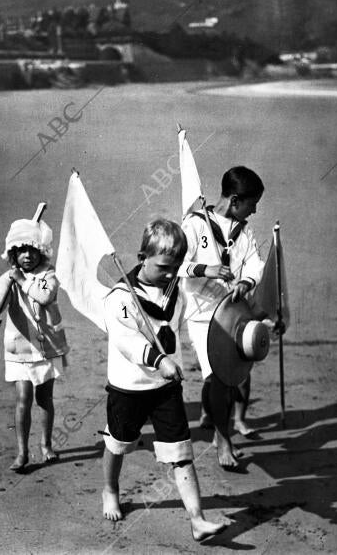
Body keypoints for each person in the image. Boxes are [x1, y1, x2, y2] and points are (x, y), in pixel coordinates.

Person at [101, 219, 225, 541]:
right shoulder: (120, 297)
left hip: (165, 388)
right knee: (119, 442)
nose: (171, 274)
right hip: (129, 387)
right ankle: (110, 488)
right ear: (143, 256)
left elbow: (183, 305)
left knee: (180, 451)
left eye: (176, 267)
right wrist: (158, 360)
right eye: (164, 267)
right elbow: (127, 341)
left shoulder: (175, 290)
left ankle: (197, 519)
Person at [179, 166, 265, 468]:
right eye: (251, 204)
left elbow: (256, 264)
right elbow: (176, 265)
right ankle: (222, 440)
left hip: (232, 312)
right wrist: (207, 269)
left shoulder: (245, 232)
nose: (254, 211)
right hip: (202, 317)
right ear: (234, 200)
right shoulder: (194, 225)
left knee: (231, 375)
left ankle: (214, 417)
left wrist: (246, 282)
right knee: (218, 377)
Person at [0, 218, 69, 471]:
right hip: (19, 348)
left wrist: (22, 281)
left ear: (41, 252)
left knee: (44, 398)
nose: (27, 256)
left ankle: (46, 444)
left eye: (33, 250)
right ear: (13, 253)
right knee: (23, 398)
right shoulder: (6, 277)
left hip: (46, 347)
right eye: (21, 251)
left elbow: (44, 296)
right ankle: (22, 452)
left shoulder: (48, 275)